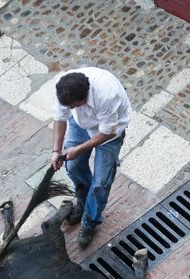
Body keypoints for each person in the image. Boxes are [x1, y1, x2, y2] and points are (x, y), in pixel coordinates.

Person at [51, 67, 132, 248]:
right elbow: (60, 118)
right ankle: (83, 201)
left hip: (110, 133)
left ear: (83, 98)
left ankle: (90, 222)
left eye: (72, 105)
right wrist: (56, 150)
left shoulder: (107, 96)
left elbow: (108, 132)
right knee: (72, 167)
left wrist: (79, 149)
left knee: (101, 183)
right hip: (81, 124)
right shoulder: (64, 87)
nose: (70, 108)